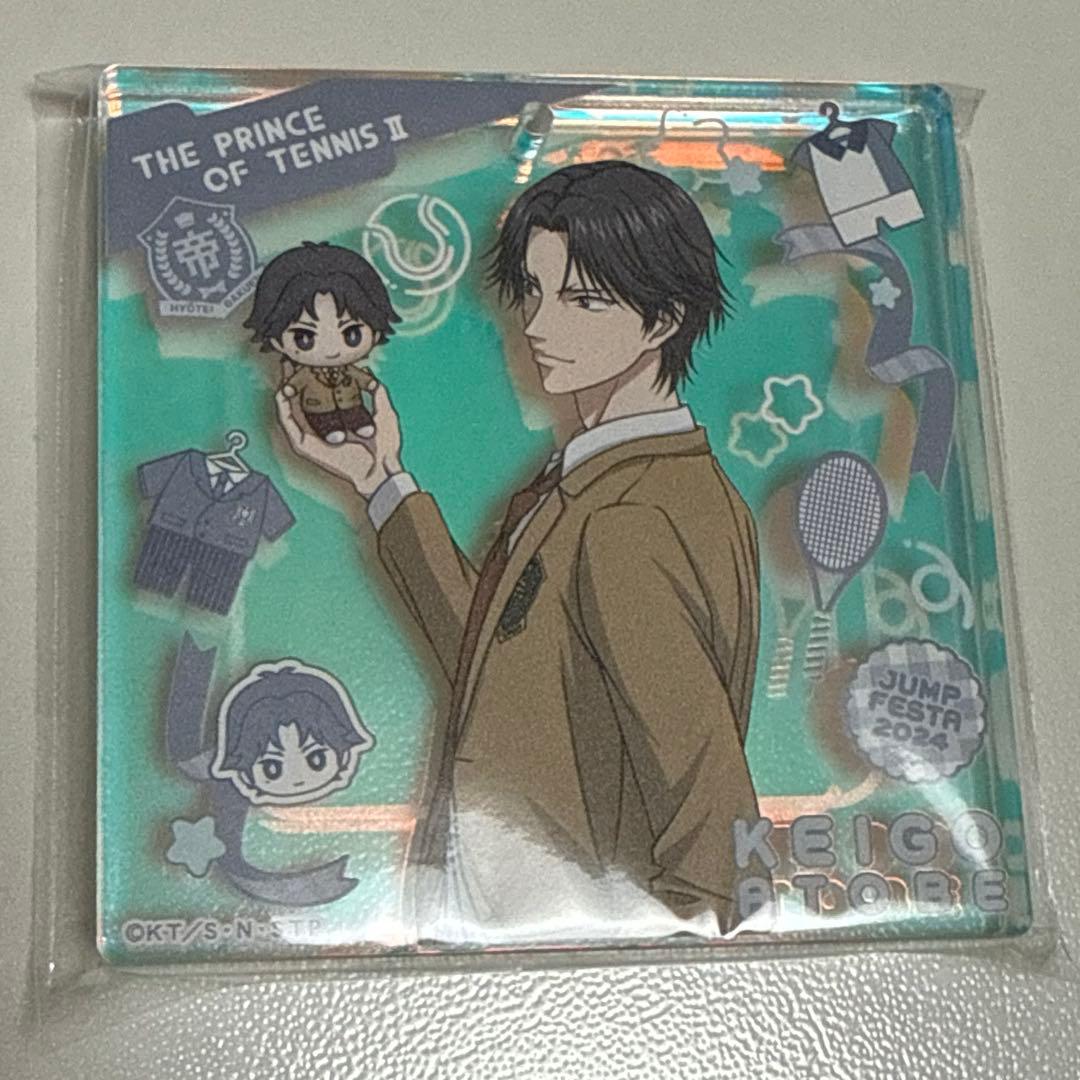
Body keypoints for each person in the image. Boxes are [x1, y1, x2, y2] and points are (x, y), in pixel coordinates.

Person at [275, 161, 762, 943]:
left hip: (570, 947)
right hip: (511, 931)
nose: (538, 325)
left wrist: (677, 971)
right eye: (534, 291)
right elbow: (493, 673)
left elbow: (707, 802)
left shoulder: (629, 517)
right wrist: (380, 479)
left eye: (582, 300)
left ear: (663, 320)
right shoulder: (603, 481)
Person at [246, 241, 400, 444]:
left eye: (352, 334)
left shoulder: (349, 370)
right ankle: (329, 429)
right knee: (325, 422)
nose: (332, 351)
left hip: (352, 404)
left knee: (357, 415)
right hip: (318, 409)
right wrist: (289, 391)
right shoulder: (305, 374)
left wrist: (371, 385)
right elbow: (296, 384)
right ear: (276, 340)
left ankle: (358, 423)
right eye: (305, 339)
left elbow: (361, 378)